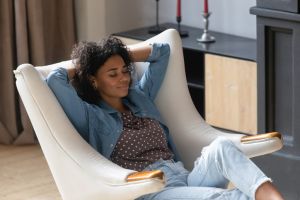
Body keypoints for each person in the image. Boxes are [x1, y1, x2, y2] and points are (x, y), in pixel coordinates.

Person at [46, 36, 284, 200]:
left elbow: (162, 52)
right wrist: (89, 63)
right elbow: (54, 80)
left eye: (125, 70)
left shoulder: (140, 97)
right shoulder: (91, 116)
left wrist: (118, 55)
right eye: (112, 74)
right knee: (225, 198)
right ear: (93, 80)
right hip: (153, 190)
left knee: (221, 147)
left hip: (184, 177)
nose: (124, 78)